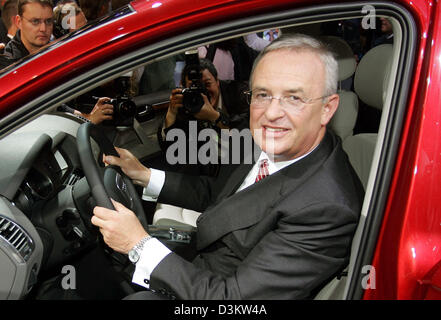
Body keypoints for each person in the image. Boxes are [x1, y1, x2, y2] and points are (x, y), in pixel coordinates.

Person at [91, 33, 365, 300]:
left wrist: (139, 245)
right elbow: (218, 195)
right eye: (262, 95)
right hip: (202, 266)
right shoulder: (267, 140)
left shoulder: (327, 208)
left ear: (328, 109)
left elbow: (233, 299)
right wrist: (144, 174)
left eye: (294, 98)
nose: (271, 113)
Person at [159, 57, 249, 175]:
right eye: (194, 87)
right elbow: (173, 151)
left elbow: (247, 138)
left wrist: (215, 117)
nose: (203, 91)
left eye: (207, 84)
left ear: (217, 81)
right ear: (184, 88)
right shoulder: (186, 104)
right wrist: (171, 114)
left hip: (241, 165)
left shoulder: (239, 94)